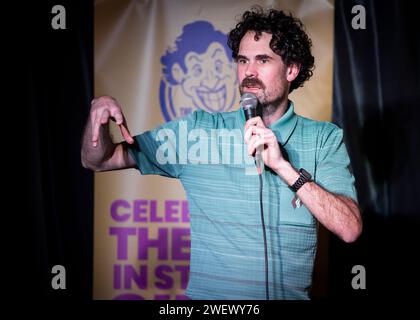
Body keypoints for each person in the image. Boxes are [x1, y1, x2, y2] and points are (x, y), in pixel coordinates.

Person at [82, 7, 362, 300]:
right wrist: (97, 115)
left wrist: (284, 168)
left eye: (262, 60)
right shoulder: (197, 131)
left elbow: (350, 229)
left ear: (292, 69)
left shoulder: (324, 139)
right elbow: (98, 160)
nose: (249, 72)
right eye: (243, 60)